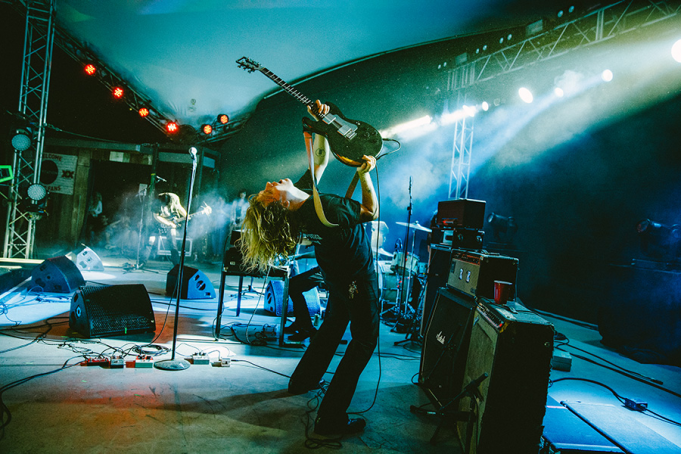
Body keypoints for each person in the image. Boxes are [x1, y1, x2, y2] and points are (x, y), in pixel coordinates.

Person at [239, 100, 379, 437]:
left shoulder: (303, 201)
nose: (272, 183)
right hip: (357, 279)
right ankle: (330, 419)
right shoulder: (326, 208)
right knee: (363, 341)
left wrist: (322, 124)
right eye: (269, 191)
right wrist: (364, 175)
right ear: (281, 204)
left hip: (335, 277)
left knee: (332, 329)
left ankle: (302, 381)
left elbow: (319, 161)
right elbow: (370, 211)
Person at [140, 192, 187, 267]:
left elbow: (180, 208)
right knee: (150, 241)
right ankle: (142, 262)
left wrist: (187, 216)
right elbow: (156, 216)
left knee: (173, 243)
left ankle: (177, 265)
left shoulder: (174, 199)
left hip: (169, 226)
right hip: (157, 225)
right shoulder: (157, 202)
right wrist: (168, 223)